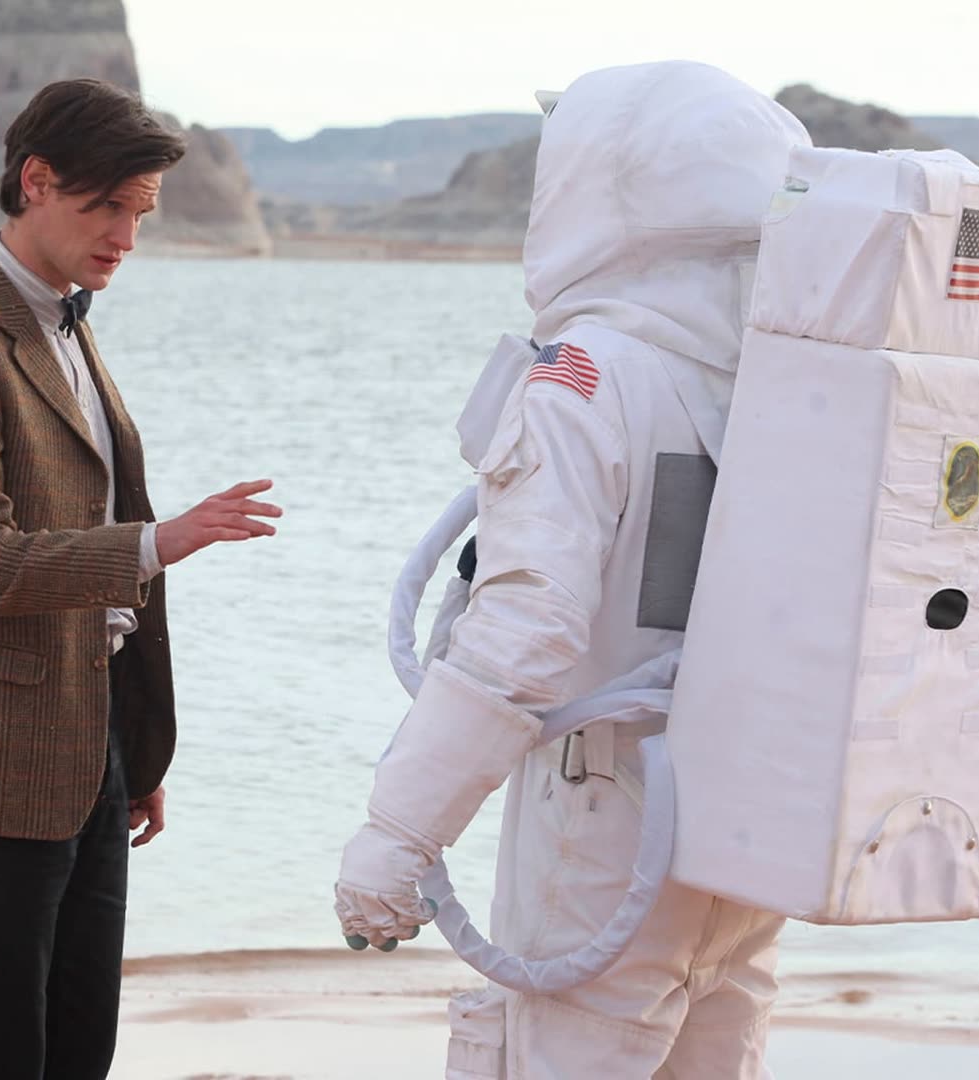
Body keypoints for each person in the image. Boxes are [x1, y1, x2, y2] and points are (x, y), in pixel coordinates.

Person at [333, 62, 811, 1077]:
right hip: (749, 823)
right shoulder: (791, 378)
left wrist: (396, 837)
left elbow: (525, 632)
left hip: (607, 825)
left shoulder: (589, 378)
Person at [0, 78, 282, 1080]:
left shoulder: (67, 321)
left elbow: (85, 524)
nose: (126, 239)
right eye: (107, 209)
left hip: (90, 743)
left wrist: (131, 746)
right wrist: (158, 543)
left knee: (82, 1038)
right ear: (36, 182)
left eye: (141, 214)